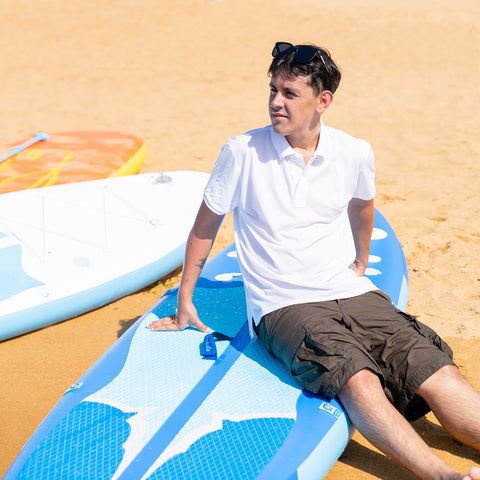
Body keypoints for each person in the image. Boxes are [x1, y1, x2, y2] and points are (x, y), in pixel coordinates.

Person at [148, 41, 480, 480]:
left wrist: (360, 261)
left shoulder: (354, 151)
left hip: (352, 292)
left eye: (289, 93)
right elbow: (204, 226)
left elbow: (363, 207)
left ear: (323, 101)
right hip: (285, 305)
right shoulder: (242, 151)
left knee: (436, 371)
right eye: (273, 90)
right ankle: (445, 477)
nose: (275, 102)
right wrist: (185, 300)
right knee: (358, 379)